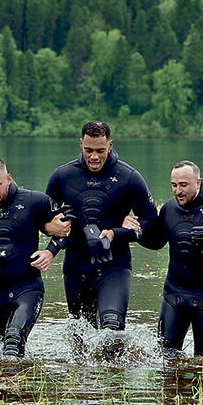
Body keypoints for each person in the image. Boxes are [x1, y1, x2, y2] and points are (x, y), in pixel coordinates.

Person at [45, 121, 156, 331]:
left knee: (112, 329)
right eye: (88, 150)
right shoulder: (62, 176)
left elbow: (151, 225)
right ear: (80, 144)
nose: (94, 157)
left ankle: (118, 364)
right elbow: (42, 218)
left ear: (111, 145)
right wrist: (52, 226)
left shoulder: (129, 178)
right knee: (80, 339)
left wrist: (119, 232)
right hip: (76, 266)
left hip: (114, 266)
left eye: (100, 150)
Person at [0, 158, 69, 357]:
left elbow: (68, 227)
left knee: (13, 340)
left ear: (8, 179)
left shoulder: (35, 201)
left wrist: (50, 251)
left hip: (26, 287)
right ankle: (4, 386)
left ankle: (19, 385)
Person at [139, 161, 203, 357]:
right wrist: (134, 230)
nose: (178, 191)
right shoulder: (169, 208)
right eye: (174, 185)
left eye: (183, 185)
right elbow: (156, 242)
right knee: (165, 358)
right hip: (174, 295)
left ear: (197, 183)